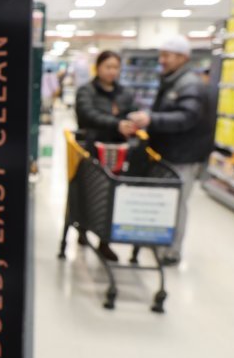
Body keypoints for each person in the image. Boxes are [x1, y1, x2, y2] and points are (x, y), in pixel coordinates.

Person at [129, 36, 211, 266]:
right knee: (166, 200)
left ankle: (172, 251)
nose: (161, 60)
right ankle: (160, 242)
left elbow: (186, 118)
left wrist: (151, 119)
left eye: (166, 56)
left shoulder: (189, 85)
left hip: (183, 156)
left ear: (182, 58)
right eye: (161, 55)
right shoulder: (173, 81)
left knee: (177, 202)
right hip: (169, 153)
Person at [75, 50, 137, 261]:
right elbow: (87, 114)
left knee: (111, 196)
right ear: (98, 67)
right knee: (89, 191)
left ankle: (105, 241)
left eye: (116, 67)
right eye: (108, 66)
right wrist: (116, 124)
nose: (112, 71)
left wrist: (132, 122)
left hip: (118, 153)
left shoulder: (125, 93)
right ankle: (82, 228)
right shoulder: (87, 91)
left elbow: (131, 112)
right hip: (92, 149)